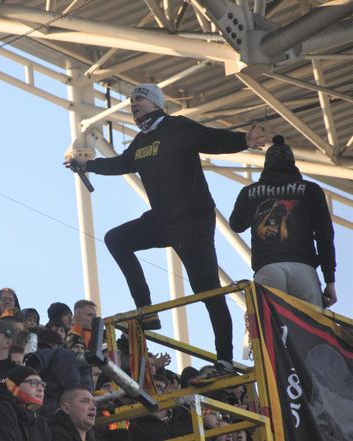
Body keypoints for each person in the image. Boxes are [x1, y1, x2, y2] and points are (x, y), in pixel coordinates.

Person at [65, 83, 265, 373]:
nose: (133, 104)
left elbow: (210, 138)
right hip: (162, 220)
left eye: (140, 99)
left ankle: (224, 357)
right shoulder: (141, 141)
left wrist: (243, 140)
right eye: (131, 100)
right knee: (116, 240)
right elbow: (121, 163)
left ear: (156, 103)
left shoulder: (176, 127)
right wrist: (88, 165)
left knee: (206, 288)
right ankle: (146, 310)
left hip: (192, 219)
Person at [229, 135, 336, 307]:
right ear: (293, 163)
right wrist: (329, 280)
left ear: (266, 164)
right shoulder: (311, 190)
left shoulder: (249, 192)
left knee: (270, 328)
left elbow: (236, 225)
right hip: (304, 270)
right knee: (309, 328)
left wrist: (256, 205)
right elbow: (325, 236)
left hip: (268, 268)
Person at [0, 366, 51, 441]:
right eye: (34, 383)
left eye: (42, 385)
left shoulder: (40, 422)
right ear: (12, 386)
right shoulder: (0, 411)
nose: (41, 389)